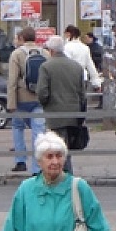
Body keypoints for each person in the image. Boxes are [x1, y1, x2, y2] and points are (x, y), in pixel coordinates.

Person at [37, 35, 86, 173]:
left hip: (55, 115)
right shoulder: (76, 66)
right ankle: (66, 177)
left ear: (51, 51)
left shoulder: (46, 67)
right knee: (66, 149)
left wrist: (45, 104)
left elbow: (42, 92)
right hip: (73, 115)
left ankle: (64, 178)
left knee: (57, 150)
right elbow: (82, 93)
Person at [8, 27, 49, 174]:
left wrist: (11, 103)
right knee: (38, 132)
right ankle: (37, 167)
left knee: (18, 127)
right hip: (38, 98)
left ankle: (20, 161)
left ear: (22, 38)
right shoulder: (44, 53)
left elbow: (12, 81)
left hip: (21, 98)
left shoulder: (17, 54)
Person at [63, 25, 102, 91]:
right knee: (82, 99)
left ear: (68, 34)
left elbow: (65, 66)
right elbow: (90, 65)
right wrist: (96, 83)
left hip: (70, 79)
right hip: (83, 77)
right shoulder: (85, 48)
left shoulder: (66, 47)